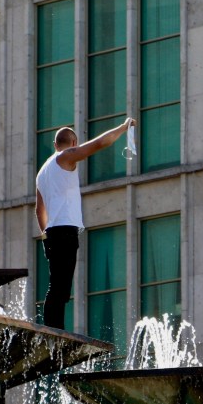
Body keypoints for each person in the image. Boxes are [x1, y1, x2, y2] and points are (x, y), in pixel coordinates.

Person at [35, 118, 135, 329]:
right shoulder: (65, 157)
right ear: (74, 143)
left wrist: (45, 236)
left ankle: (53, 329)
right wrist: (123, 127)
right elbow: (99, 143)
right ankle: (53, 331)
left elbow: (39, 210)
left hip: (51, 233)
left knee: (58, 286)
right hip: (65, 231)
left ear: (55, 144)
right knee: (60, 288)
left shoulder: (42, 172)